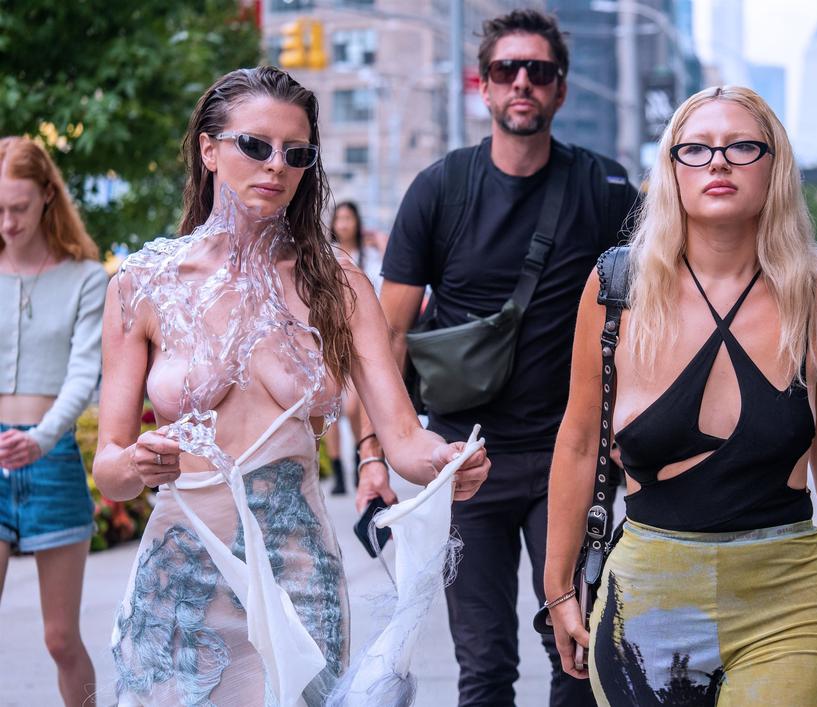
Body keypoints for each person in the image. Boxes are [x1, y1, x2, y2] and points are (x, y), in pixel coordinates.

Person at [92, 66, 489, 705]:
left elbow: (404, 440)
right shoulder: (143, 284)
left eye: (296, 153)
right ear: (208, 149)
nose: (276, 165)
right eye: (255, 145)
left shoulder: (338, 283)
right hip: (180, 579)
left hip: (299, 582)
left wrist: (446, 461)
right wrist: (136, 461)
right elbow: (109, 471)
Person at [545, 86, 817, 706]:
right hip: (646, 604)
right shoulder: (617, 290)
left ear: (775, 167)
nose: (717, 162)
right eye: (695, 149)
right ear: (671, 170)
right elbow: (581, 439)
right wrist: (558, 584)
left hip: (791, 600)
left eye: (741, 147)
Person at [355, 9, 639, 706]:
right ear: (481, 85)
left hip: (570, 458)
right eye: (506, 70)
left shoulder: (604, 190)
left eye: (538, 71)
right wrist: (371, 455)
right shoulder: (440, 189)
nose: (522, 83)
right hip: (463, 463)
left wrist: (633, 445)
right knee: (483, 665)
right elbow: (386, 338)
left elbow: (644, 325)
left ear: (560, 89)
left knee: (578, 653)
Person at [0, 136, 106, 706]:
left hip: (52, 455)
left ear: (47, 195)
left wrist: (41, 439)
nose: (7, 223)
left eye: (18, 207)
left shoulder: (86, 277)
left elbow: (84, 372)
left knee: (61, 640)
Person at [324, 200, 385, 495]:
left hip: (361, 340)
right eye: (340, 218)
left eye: (349, 218)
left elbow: (386, 286)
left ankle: (362, 459)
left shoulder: (369, 256)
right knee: (329, 409)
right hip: (331, 337)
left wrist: (381, 242)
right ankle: (338, 472)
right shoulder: (326, 255)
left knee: (352, 407)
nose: (344, 224)